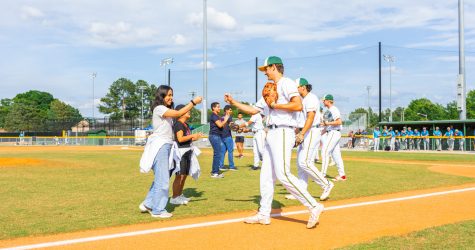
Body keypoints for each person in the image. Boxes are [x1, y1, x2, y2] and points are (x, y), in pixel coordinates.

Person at [224, 56, 324, 229]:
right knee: (266, 176)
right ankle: (264, 213)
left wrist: (276, 105)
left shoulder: (287, 83)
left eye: (266, 69)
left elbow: (298, 105)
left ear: (274, 67)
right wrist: (234, 102)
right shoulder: (270, 89)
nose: (265, 73)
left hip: (284, 130)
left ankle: (314, 206)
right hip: (271, 131)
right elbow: (254, 110)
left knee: (283, 174)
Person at [139, 85, 202, 218]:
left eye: (171, 95)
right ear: (161, 96)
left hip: (166, 146)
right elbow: (179, 114)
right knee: (163, 180)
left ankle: (148, 204)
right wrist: (193, 103)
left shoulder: (166, 110)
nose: (171, 97)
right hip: (161, 146)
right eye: (168, 95)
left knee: (162, 178)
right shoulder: (159, 108)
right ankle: (158, 210)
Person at [287, 78, 334, 201]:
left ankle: (326, 184)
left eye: (296, 87)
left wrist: (301, 133)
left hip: (312, 130)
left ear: (303, 87)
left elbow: (311, 118)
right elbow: (301, 121)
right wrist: (296, 134)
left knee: (305, 162)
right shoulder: (303, 100)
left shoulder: (311, 98)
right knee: (299, 163)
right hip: (306, 130)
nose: (295, 90)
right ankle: (301, 191)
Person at [170, 104, 203, 205]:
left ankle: (179, 195)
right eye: (187, 110)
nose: (189, 111)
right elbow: (180, 139)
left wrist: (194, 137)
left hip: (188, 150)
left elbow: (187, 138)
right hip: (181, 152)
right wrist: (193, 135)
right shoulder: (179, 124)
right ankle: (174, 197)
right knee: (179, 176)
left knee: (184, 176)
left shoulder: (186, 124)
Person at [320, 94, 346, 181]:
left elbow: (339, 121)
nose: (323, 101)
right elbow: (327, 126)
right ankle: (342, 175)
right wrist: (320, 132)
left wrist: (327, 123)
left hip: (334, 133)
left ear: (328, 100)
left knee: (325, 152)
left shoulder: (334, 109)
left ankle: (322, 175)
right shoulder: (329, 110)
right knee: (336, 155)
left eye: (324, 100)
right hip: (332, 132)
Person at [209, 102, 230, 178]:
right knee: (217, 154)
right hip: (214, 136)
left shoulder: (217, 116)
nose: (219, 108)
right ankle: (215, 172)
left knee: (218, 153)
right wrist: (226, 119)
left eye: (219, 106)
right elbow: (220, 125)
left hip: (217, 136)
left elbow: (223, 125)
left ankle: (215, 171)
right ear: (213, 108)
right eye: (218, 107)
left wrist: (227, 121)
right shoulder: (214, 115)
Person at [220, 105, 237, 171]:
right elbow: (232, 126)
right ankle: (231, 166)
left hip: (222, 136)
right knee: (230, 151)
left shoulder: (221, 117)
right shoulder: (229, 117)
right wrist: (237, 128)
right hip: (227, 136)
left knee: (222, 152)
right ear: (226, 110)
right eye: (230, 110)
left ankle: (221, 166)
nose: (231, 111)